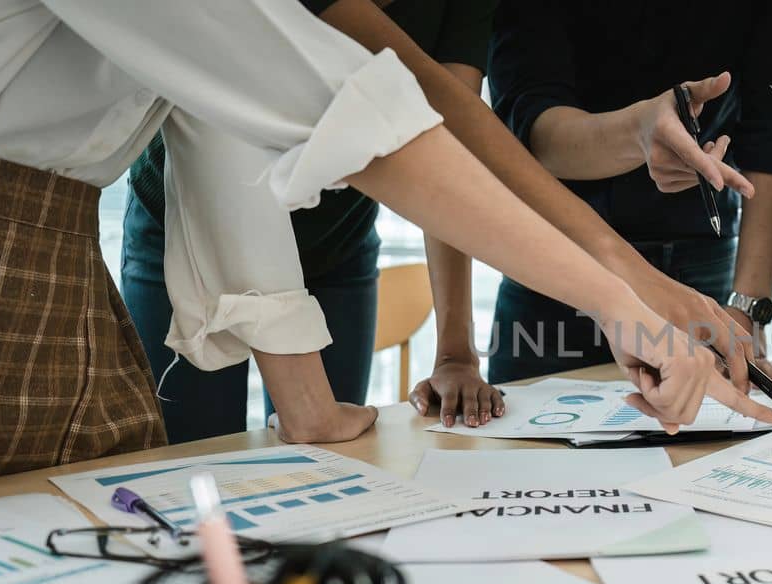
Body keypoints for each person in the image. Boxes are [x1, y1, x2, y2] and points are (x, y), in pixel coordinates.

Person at [0, 0, 772, 485]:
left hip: (32, 261)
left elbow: (224, 126)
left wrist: (306, 398)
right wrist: (616, 296)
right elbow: (361, 118)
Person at [121, 0, 503, 443]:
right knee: (193, 463)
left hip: (336, 240)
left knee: (335, 461)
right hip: (184, 232)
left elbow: (450, 151)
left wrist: (455, 353)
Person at [484, 0, 772, 386]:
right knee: (534, 442)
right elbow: (526, 127)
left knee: (711, 436)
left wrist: (748, 307)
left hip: (701, 263)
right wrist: (639, 134)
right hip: (556, 263)